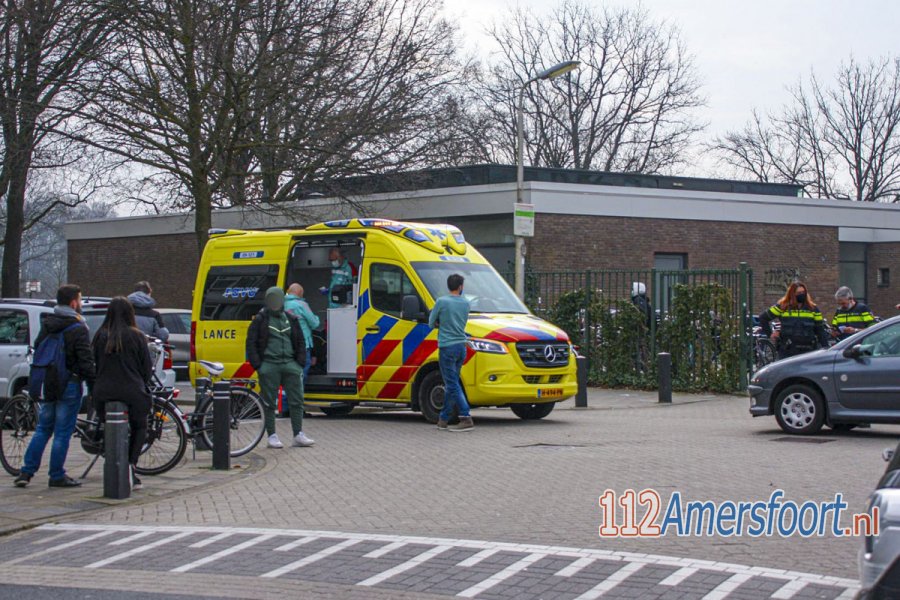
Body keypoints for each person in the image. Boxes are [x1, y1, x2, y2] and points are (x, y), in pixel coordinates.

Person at [15, 285, 96, 488]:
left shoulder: (49, 323)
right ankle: (56, 474)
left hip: (47, 383)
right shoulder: (78, 327)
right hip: (68, 384)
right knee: (62, 432)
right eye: (79, 299)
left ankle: (26, 472)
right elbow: (85, 361)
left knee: (43, 428)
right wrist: (94, 384)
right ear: (73, 303)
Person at [91, 297, 154, 491]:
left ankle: (113, 461)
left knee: (109, 427)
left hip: (104, 391)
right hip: (132, 390)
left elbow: (95, 364)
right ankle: (130, 465)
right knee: (140, 426)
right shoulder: (136, 336)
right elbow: (146, 367)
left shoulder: (100, 336)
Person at [246, 287, 312, 449]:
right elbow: (251, 343)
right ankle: (272, 436)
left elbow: (300, 341)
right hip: (269, 365)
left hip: (290, 364)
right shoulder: (260, 319)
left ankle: (298, 434)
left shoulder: (291, 318)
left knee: (297, 400)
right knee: (269, 403)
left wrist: (299, 364)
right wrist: (260, 366)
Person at [428, 274, 473, 432]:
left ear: (449, 286)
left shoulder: (441, 302)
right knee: (451, 383)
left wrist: (440, 322)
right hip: (461, 346)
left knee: (452, 384)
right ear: (460, 287)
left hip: (447, 346)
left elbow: (430, 322)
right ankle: (443, 419)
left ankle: (465, 416)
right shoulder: (466, 303)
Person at [760, 282, 829, 360]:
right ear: (792, 294)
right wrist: (770, 334)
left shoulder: (813, 309)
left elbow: (820, 330)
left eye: (803, 292)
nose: (802, 295)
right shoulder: (783, 307)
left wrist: (825, 349)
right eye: (799, 293)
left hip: (808, 351)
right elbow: (763, 318)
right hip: (787, 350)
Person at [285, 283, 320, 381]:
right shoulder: (301, 305)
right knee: (300, 374)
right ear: (300, 293)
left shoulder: (282, 304)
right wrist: (316, 317)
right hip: (301, 345)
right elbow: (315, 323)